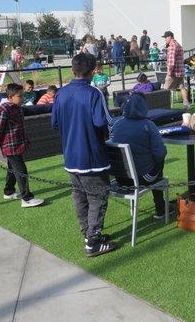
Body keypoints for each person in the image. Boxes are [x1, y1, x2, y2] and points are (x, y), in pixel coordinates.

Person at [51, 53, 117, 257]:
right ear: (94, 70)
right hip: (92, 158)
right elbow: (104, 122)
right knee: (97, 197)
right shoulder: (94, 94)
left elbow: (54, 123)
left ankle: (88, 234)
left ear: (73, 70)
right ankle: (93, 242)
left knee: (79, 196)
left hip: (70, 157)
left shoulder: (60, 94)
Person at [110, 92, 173, 219]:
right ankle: (160, 208)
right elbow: (160, 153)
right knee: (159, 162)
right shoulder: (148, 125)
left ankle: (160, 207)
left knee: (154, 161)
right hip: (141, 179)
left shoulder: (117, 125)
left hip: (120, 178)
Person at [0, 83, 44, 207]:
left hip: (18, 145)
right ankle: (26, 198)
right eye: (19, 96)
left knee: (12, 169)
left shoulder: (18, 108)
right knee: (21, 170)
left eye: (22, 95)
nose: (22, 98)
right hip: (10, 147)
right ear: (10, 97)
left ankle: (9, 191)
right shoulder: (2, 110)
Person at [162, 31, 190, 109]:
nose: (165, 39)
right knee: (182, 87)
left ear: (170, 37)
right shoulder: (178, 44)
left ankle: (165, 107)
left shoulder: (172, 46)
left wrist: (169, 72)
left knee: (165, 90)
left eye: (165, 37)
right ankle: (186, 104)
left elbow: (171, 61)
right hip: (180, 71)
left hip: (173, 72)